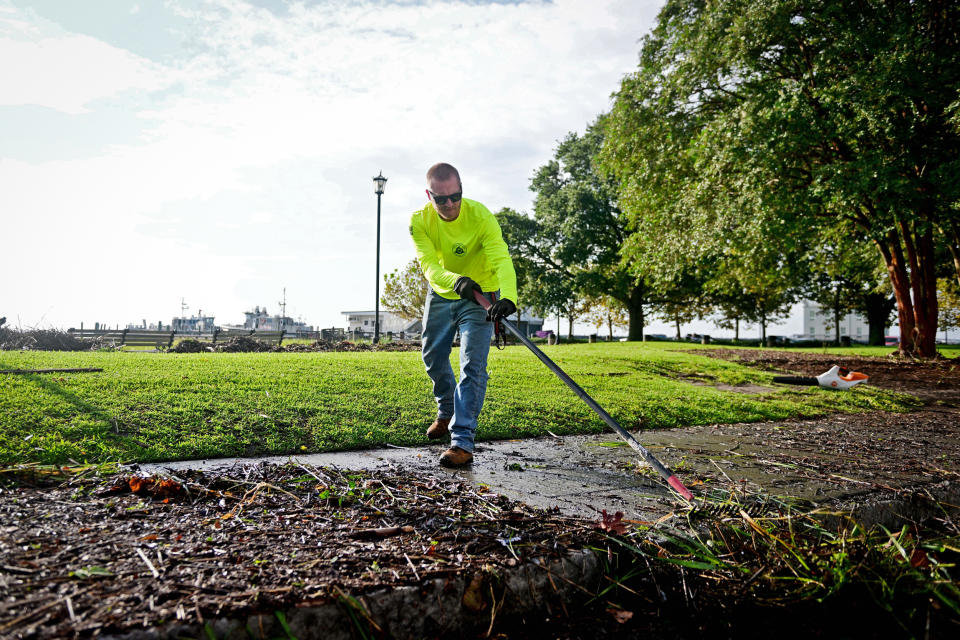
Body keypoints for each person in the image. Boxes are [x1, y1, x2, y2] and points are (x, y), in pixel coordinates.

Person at [409, 163, 518, 467]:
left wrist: (509, 297)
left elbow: (500, 257)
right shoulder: (419, 221)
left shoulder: (480, 216)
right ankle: (446, 410)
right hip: (444, 292)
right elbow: (429, 265)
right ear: (429, 195)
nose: (449, 205)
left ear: (461, 190)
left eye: (454, 197)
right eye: (441, 199)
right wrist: (455, 281)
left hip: (481, 296)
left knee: (473, 364)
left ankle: (462, 442)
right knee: (432, 356)